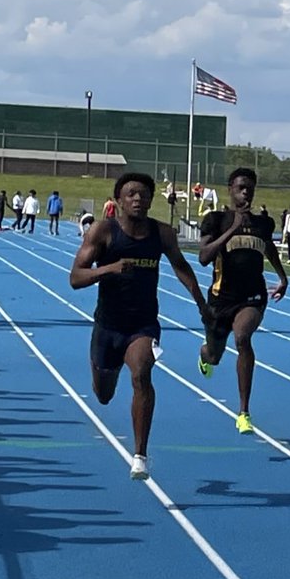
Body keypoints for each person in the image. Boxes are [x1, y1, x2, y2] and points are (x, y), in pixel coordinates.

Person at [69, 171, 208, 481]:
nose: (137, 198)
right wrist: (109, 269)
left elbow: (182, 268)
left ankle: (140, 455)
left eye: (143, 194)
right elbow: (75, 277)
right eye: (131, 193)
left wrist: (202, 304)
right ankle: (106, 371)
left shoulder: (162, 234)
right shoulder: (103, 233)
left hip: (143, 325)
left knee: (142, 372)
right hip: (108, 326)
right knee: (103, 394)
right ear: (118, 200)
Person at [197, 167, 287, 434]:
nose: (245, 192)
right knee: (214, 355)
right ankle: (205, 355)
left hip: (252, 296)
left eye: (249, 187)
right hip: (220, 299)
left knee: (242, 338)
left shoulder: (263, 223)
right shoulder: (216, 219)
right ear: (230, 189)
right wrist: (232, 229)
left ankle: (244, 412)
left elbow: (268, 248)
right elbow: (203, 257)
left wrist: (283, 277)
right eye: (240, 187)